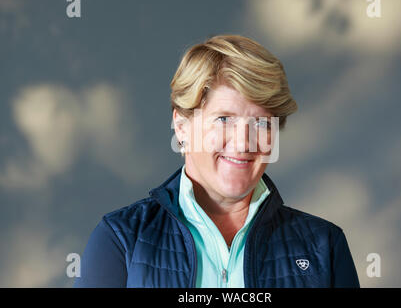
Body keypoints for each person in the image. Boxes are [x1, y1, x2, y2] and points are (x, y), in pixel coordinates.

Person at [74, 34, 359, 288]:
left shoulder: (325, 247)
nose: (244, 142)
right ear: (182, 125)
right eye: (224, 119)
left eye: (261, 123)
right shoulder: (121, 240)